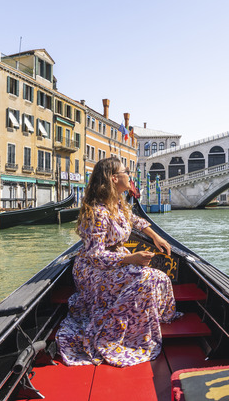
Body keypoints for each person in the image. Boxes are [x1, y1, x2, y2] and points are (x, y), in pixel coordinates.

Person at [56, 157, 180, 367]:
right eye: (126, 172)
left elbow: (135, 220)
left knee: (160, 277)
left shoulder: (118, 204)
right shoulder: (96, 212)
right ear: (114, 178)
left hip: (117, 260)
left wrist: (154, 236)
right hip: (92, 270)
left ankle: (152, 319)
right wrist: (130, 258)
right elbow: (95, 255)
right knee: (144, 278)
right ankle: (129, 335)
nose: (129, 175)